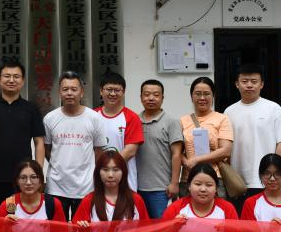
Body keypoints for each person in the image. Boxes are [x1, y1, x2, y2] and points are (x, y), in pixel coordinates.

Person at [0, 60, 45, 217]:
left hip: (23, 180)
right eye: (7, 76)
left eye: (16, 76)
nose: (11, 80)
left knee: (20, 222)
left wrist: (38, 176)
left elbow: (39, 143)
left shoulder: (31, 109)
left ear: (23, 81)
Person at [224, 63, 281, 214]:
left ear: (261, 84)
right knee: (242, 222)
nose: (249, 85)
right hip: (238, 181)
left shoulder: (273, 108)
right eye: (244, 81)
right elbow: (225, 147)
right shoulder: (229, 112)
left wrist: (274, 172)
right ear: (237, 84)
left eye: (254, 81)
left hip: (267, 179)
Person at [43, 71, 106, 219]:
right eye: (65, 89)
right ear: (59, 92)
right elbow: (47, 150)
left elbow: (99, 151)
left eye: (74, 89)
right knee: (57, 229)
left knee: (83, 229)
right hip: (56, 186)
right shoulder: (50, 118)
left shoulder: (94, 118)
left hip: (86, 187)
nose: (69, 93)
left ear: (81, 92)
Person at [179, 77, 233, 198]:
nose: (202, 98)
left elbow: (226, 150)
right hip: (188, 179)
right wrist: (186, 162)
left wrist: (196, 160)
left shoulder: (222, 119)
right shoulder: (183, 121)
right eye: (198, 94)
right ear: (191, 96)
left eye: (207, 94)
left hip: (214, 178)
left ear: (213, 96)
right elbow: (177, 151)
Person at [136, 79, 183, 218]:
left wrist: (174, 183)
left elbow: (177, 154)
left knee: (161, 226)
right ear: (141, 97)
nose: (151, 98)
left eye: (156, 95)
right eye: (147, 94)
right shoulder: (134, 120)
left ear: (162, 98)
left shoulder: (172, 122)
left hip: (162, 189)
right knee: (140, 226)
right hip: (135, 187)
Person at [94, 72, 143, 192]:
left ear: (123, 92)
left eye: (117, 90)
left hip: (125, 181)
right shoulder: (92, 116)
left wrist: (108, 169)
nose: (112, 94)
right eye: (109, 89)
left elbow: (130, 151)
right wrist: (102, 171)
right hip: (96, 179)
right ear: (101, 91)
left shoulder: (131, 117)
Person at [74, 149, 149, 226]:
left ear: (123, 172)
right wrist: (81, 228)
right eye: (105, 170)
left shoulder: (136, 200)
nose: (110, 175)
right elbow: (75, 230)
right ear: (98, 172)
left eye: (116, 170)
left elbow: (146, 229)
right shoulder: (88, 201)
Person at [162, 162, 238, 220]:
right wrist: (173, 226)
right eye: (198, 184)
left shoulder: (227, 209)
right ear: (189, 186)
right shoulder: (175, 209)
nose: (203, 189)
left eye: (209, 185)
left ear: (216, 188)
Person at [0, 160, 66, 222]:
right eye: (23, 178)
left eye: (33, 177)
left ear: (40, 180)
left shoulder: (52, 204)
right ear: (17, 181)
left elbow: (61, 231)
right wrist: (4, 224)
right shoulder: (8, 204)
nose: (28, 183)